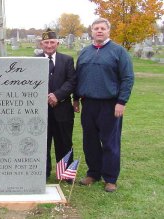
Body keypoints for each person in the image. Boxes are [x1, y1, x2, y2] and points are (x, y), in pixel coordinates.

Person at [73, 18, 134, 192]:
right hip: (88, 104)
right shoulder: (85, 52)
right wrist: (75, 99)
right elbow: (79, 78)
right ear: (91, 31)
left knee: (110, 142)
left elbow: (128, 78)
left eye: (102, 28)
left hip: (110, 104)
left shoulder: (118, 52)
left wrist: (121, 102)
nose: (99, 31)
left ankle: (110, 178)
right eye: (96, 28)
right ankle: (93, 173)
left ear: (108, 31)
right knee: (90, 141)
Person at [38, 28, 76, 180]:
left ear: (57, 43)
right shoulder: (34, 60)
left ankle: (65, 173)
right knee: (42, 143)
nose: (49, 45)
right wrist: (47, 95)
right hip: (41, 109)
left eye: (52, 42)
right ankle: (42, 172)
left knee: (64, 142)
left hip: (63, 109)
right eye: (46, 42)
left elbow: (72, 81)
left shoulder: (67, 60)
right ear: (41, 44)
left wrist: (57, 95)